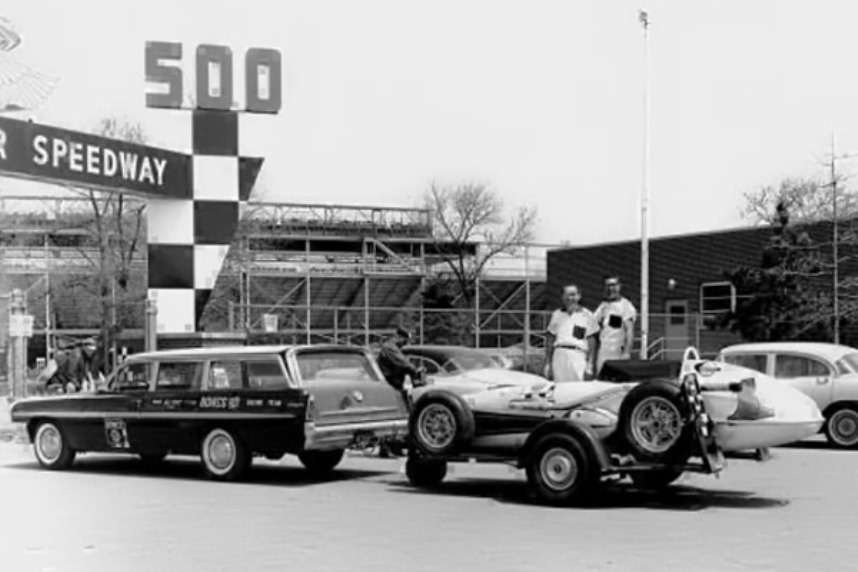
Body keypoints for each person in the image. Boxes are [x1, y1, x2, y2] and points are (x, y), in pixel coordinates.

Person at [376, 327, 424, 458]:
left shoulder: (394, 348)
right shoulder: (390, 348)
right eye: (405, 341)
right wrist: (414, 370)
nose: (406, 344)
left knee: (399, 417)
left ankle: (395, 446)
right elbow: (402, 363)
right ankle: (385, 448)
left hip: (395, 386)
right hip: (389, 387)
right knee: (390, 418)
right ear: (399, 337)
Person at [544, 284, 598, 382]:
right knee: (559, 389)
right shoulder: (556, 314)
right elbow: (550, 339)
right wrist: (548, 363)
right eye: (566, 295)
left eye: (573, 295)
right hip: (559, 356)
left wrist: (590, 364)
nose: (569, 298)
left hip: (577, 356)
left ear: (579, 296)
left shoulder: (588, 315)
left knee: (578, 389)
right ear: (562, 297)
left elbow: (591, 340)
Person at [593, 276, 638, 376]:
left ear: (619, 287)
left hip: (617, 351)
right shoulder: (603, 306)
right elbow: (592, 324)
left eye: (613, 285)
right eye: (608, 286)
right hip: (603, 350)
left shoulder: (626, 306)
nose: (610, 289)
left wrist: (626, 353)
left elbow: (629, 331)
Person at [39, 337, 104, 394]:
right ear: (84, 348)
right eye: (90, 349)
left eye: (93, 350)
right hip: (60, 375)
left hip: (64, 375)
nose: (91, 352)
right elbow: (71, 373)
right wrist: (78, 386)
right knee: (68, 387)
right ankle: (42, 389)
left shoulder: (88, 357)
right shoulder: (76, 355)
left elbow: (90, 372)